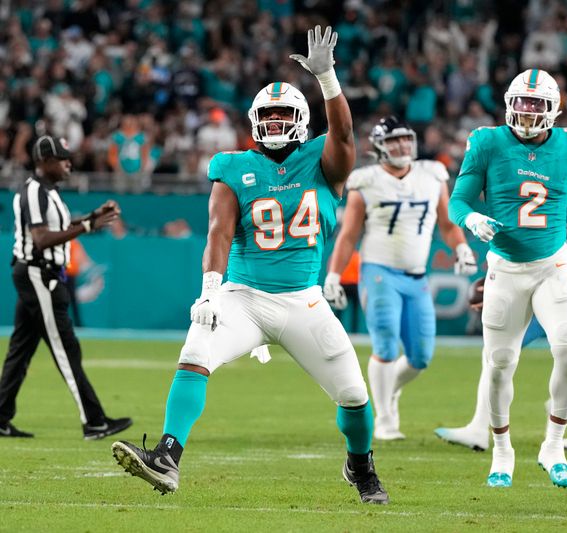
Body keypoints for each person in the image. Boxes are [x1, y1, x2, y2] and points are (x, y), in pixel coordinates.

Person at [111, 26, 389, 505]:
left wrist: (328, 80)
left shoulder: (321, 162)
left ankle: (360, 466)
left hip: (304, 300)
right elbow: (219, 230)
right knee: (195, 349)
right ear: (254, 120)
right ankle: (167, 456)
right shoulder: (232, 165)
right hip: (243, 296)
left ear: (301, 121)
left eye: (284, 114)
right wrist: (210, 288)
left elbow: (343, 132)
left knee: (354, 395)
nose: (276, 122)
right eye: (268, 115)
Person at [448, 69, 567, 489]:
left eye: (536, 103)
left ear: (554, 109)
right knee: (500, 364)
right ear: (508, 102)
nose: (527, 110)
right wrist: (472, 218)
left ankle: (553, 445)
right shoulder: (487, 141)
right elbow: (458, 201)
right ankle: (502, 452)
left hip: (552, 267)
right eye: (521, 101)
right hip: (504, 269)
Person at [324, 116, 477, 441]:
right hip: (378, 272)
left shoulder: (431, 175)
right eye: (394, 141)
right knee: (385, 344)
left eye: (406, 139)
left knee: (421, 356)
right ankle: (385, 418)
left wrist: (461, 247)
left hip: (417, 276)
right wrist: (334, 274)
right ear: (380, 146)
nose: (403, 146)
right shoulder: (367, 181)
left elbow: (447, 224)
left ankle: (387, 391)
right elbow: (349, 235)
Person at [434, 226, 567, 451]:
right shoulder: (550, 199)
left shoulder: (532, 200)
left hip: (551, 281)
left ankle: (479, 428)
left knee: (497, 352)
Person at [0, 135, 131, 440]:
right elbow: (42, 238)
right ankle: (95, 421)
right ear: (43, 162)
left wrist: (91, 218)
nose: (69, 163)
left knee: (21, 350)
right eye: (61, 158)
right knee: (65, 348)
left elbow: (56, 229)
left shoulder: (48, 191)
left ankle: (1, 416)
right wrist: (85, 227)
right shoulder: (35, 191)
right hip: (38, 275)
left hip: (42, 275)